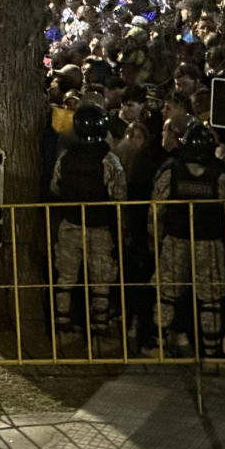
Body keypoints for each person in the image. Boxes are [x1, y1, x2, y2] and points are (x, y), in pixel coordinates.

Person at [150, 122, 225, 358]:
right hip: (209, 245)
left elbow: (155, 212)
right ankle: (211, 353)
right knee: (210, 299)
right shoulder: (222, 180)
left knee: (167, 294)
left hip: (174, 243)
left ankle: (159, 345)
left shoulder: (171, 175)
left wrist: (155, 240)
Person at [49, 104, 127, 339]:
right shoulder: (109, 160)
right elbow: (119, 195)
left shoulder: (66, 156)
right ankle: (99, 327)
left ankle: (63, 325)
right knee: (101, 278)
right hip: (100, 227)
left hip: (70, 224)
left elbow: (55, 186)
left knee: (66, 276)